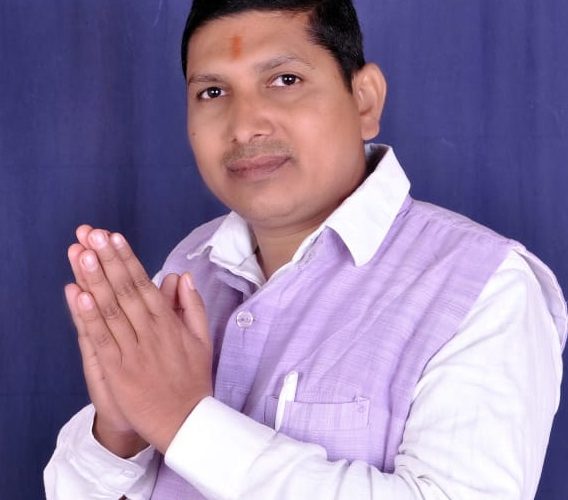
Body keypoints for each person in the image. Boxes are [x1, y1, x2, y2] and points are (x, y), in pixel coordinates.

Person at [44, 0, 567, 498]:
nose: (245, 125)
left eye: (285, 80)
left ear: (364, 100)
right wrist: (120, 431)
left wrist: (183, 421)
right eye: (212, 92)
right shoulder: (190, 266)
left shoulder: (487, 288)